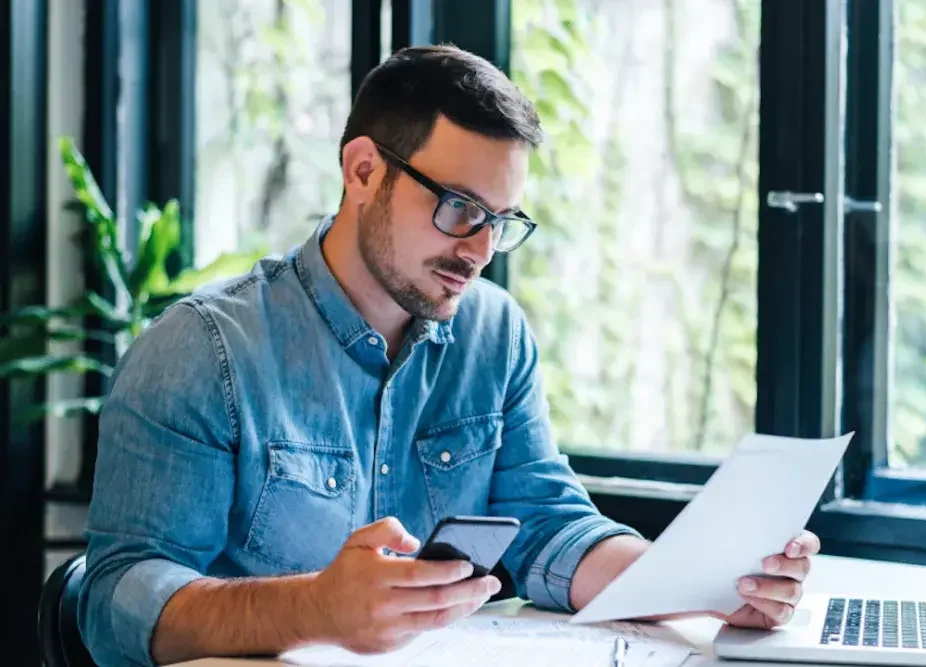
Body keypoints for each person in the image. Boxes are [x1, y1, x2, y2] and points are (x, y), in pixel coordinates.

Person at [78, 44, 820, 667]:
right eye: (460, 207)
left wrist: (704, 582)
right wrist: (310, 607)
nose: (480, 250)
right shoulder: (203, 350)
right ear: (363, 171)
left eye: (501, 220)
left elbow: (546, 523)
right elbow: (117, 601)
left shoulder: (495, 336)